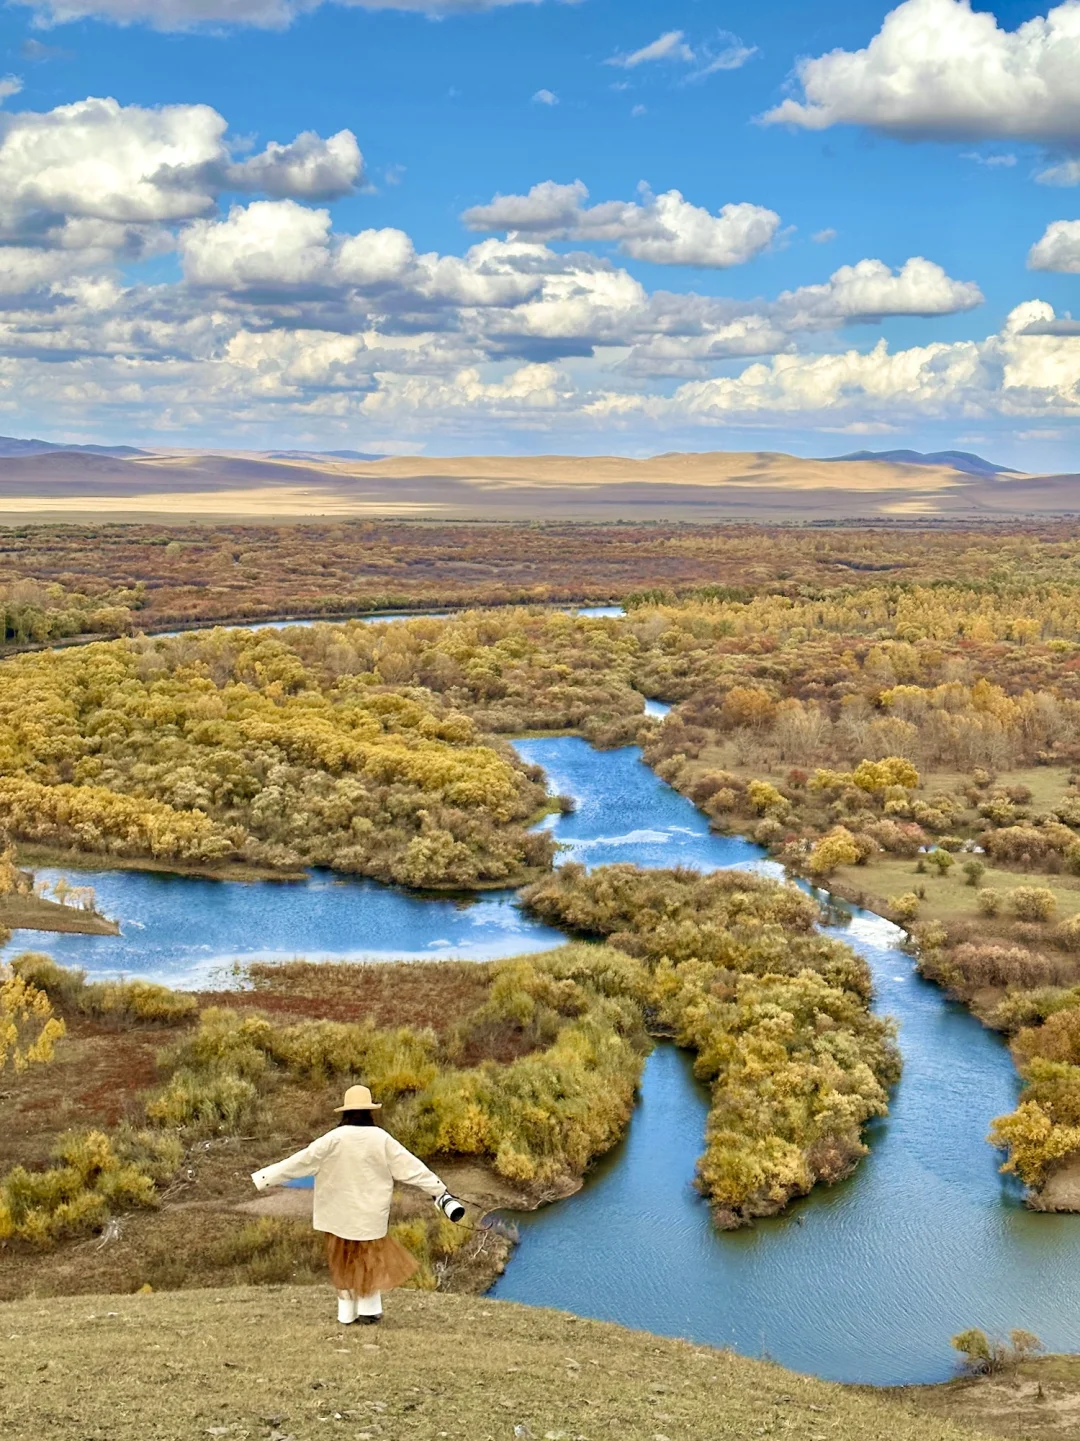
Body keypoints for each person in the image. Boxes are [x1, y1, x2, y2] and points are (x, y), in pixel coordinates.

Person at [251, 1083, 463, 1326]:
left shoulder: (332, 1139)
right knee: (368, 1261)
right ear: (369, 1111)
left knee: (342, 1262)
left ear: (345, 1112)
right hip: (370, 1216)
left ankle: (346, 1314)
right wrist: (439, 1190)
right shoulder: (381, 1139)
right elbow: (413, 1168)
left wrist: (263, 1178)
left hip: (337, 1215)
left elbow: (299, 1162)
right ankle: (369, 1312)